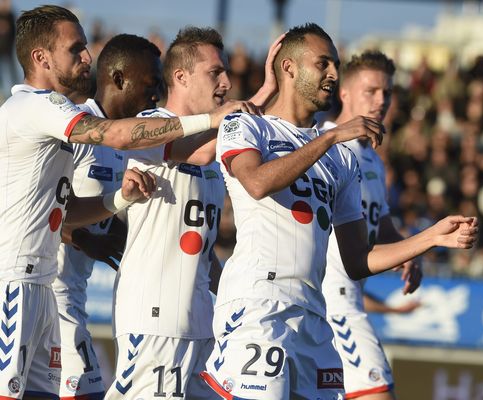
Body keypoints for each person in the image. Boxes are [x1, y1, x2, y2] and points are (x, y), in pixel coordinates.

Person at [200, 23, 477, 399]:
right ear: (289, 69)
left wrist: (431, 238)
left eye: (336, 64)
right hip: (259, 306)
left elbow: (358, 259)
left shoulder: (343, 159)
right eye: (323, 63)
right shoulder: (247, 125)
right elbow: (257, 183)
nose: (332, 73)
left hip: (315, 316)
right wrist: (329, 136)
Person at [0, 5, 250, 399]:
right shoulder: (38, 106)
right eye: (76, 49)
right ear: (40, 58)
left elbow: (65, 210)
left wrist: (119, 199)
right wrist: (210, 119)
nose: (87, 57)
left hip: (47, 286)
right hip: (17, 280)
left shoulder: (59, 115)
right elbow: (117, 136)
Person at [105, 27, 282, 400]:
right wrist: (265, 92)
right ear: (181, 77)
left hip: (201, 322)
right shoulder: (150, 126)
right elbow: (196, 149)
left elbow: (204, 249)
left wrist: (236, 295)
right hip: (155, 320)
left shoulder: (214, 146)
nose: (225, 81)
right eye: (214, 72)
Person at [52, 33, 163, 400]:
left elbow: (106, 214)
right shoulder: (78, 130)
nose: (155, 95)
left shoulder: (123, 145)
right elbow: (39, 208)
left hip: (74, 293)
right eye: (150, 84)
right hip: (49, 293)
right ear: (118, 79)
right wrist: (87, 241)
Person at [321, 51, 421, 400]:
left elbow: (380, 220)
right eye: (372, 91)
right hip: (331, 302)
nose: (382, 101)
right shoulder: (323, 145)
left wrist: (406, 249)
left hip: (351, 299)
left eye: (387, 93)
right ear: (344, 93)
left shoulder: (373, 158)